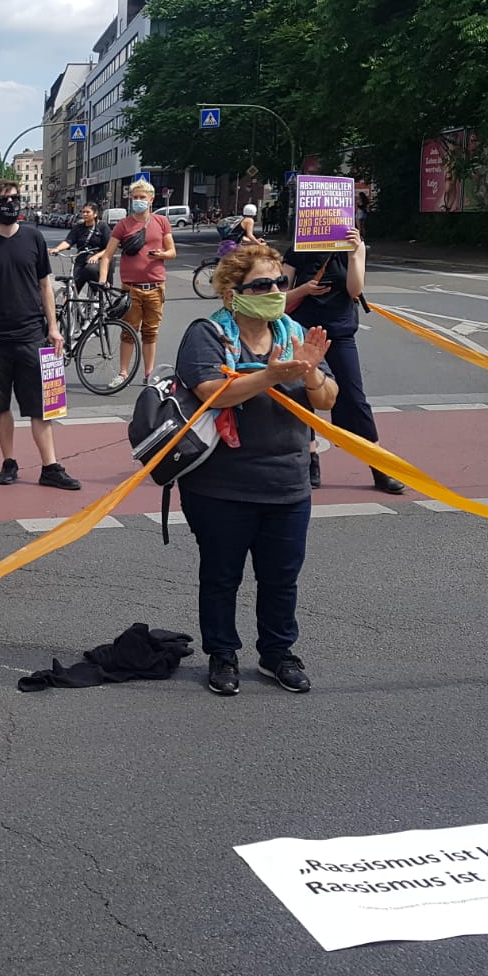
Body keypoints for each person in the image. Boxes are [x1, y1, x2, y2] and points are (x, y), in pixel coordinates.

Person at [175, 244, 338, 697]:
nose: (274, 291)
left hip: (288, 481)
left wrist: (308, 374)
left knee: (281, 578)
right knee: (221, 576)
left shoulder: (293, 332)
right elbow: (212, 392)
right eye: (262, 285)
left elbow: (327, 400)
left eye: (279, 283)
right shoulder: (208, 334)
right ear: (232, 292)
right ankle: (222, 654)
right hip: (221, 485)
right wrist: (271, 374)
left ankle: (277, 653)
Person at [0, 179, 81, 491]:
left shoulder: (33, 238)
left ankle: (50, 467)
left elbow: (45, 285)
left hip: (32, 336)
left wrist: (53, 328)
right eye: (3, 200)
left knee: (42, 406)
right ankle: (9, 462)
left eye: (15, 198)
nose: (10, 204)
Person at [283, 232, 405, 494]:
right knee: (301, 394)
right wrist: (304, 290)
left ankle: (377, 465)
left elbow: (354, 290)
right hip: (301, 329)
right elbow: (280, 297)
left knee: (353, 396)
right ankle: (310, 462)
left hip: (339, 330)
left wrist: (354, 253)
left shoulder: (354, 247)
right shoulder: (298, 247)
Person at [96, 180, 176, 383]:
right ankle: (123, 373)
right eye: (135, 197)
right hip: (131, 288)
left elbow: (172, 251)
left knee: (151, 332)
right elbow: (108, 255)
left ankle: (149, 374)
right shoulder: (124, 225)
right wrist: (103, 280)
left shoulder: (161, 222)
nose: (138, 201)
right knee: (128, 331)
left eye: (142, 197)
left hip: (156, 286)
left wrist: (162, 255)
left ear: (151, 199)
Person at [50, 203, 111, 295]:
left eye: (88, 212)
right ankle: (69, 306)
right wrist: (57, 249)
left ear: (95, 214)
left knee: (90, 270)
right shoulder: (78, 227)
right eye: (83, 212)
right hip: (81, 258)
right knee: (73, 285)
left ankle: (97, 295)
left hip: (98, 259)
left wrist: (97, 256)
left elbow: (109, 248)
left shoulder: (102, 227)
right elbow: (68, 241)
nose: (85, 214)